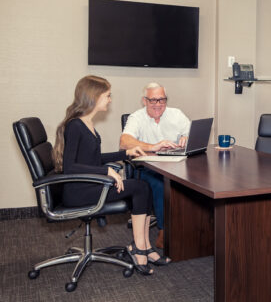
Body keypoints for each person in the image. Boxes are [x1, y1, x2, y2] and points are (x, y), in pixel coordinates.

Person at [52, 75, 171, 275]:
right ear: (94, 96)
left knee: (143, 186)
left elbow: (93, 158)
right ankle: (140, 249)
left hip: (88, 185)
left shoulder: (86, 123)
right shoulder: (75, 126)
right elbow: (70, 167)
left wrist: (126, 153)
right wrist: (105, 170)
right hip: (79, 191)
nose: (110, 100)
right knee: (140, 186)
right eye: (107, 96)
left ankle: (143, 247)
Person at [120, 83, 190, 249]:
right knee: (161, 183)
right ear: (144, 101)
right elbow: (124, 142)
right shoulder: (136, 117)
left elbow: (191, 133)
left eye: (162, 100)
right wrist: (152, 146)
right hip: (148, 167)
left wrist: (186, 139)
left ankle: (193, 228)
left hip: (176, 163)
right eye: (153, 100)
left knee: (196, 180)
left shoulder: (176, 114)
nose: (158, 104)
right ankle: (164, 230)